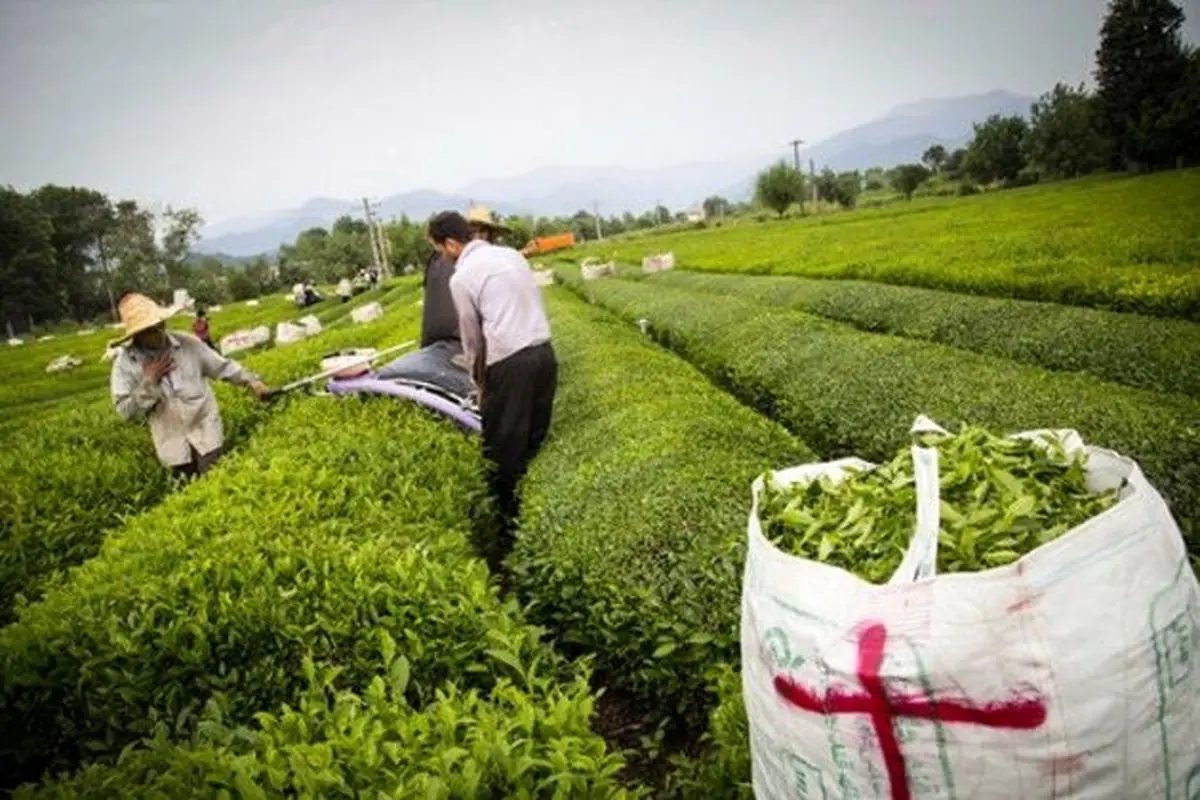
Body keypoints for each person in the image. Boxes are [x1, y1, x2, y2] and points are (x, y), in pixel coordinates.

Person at [429, 210, 557, 565]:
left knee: (502, 453)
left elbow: (471, 338)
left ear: (452, 243)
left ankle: (510, 538)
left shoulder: (463, 277)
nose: (442, 256)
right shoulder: (512, 256)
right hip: (544, 354)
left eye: (440, 249)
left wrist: (479, 381)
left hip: (510, 364)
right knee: (534, 438)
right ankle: (541, 515)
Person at [109, 292, 270, 479]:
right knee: (190, 490)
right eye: (149, 330)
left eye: (159, 325)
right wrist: (149, 381)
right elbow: (126, 412)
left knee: (215, 480)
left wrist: (251, 380)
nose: (158, 332)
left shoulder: (188, 344)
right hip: (172, 444)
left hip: (205, 429)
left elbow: (222, 367)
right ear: (137, 335)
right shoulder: (126, 364)